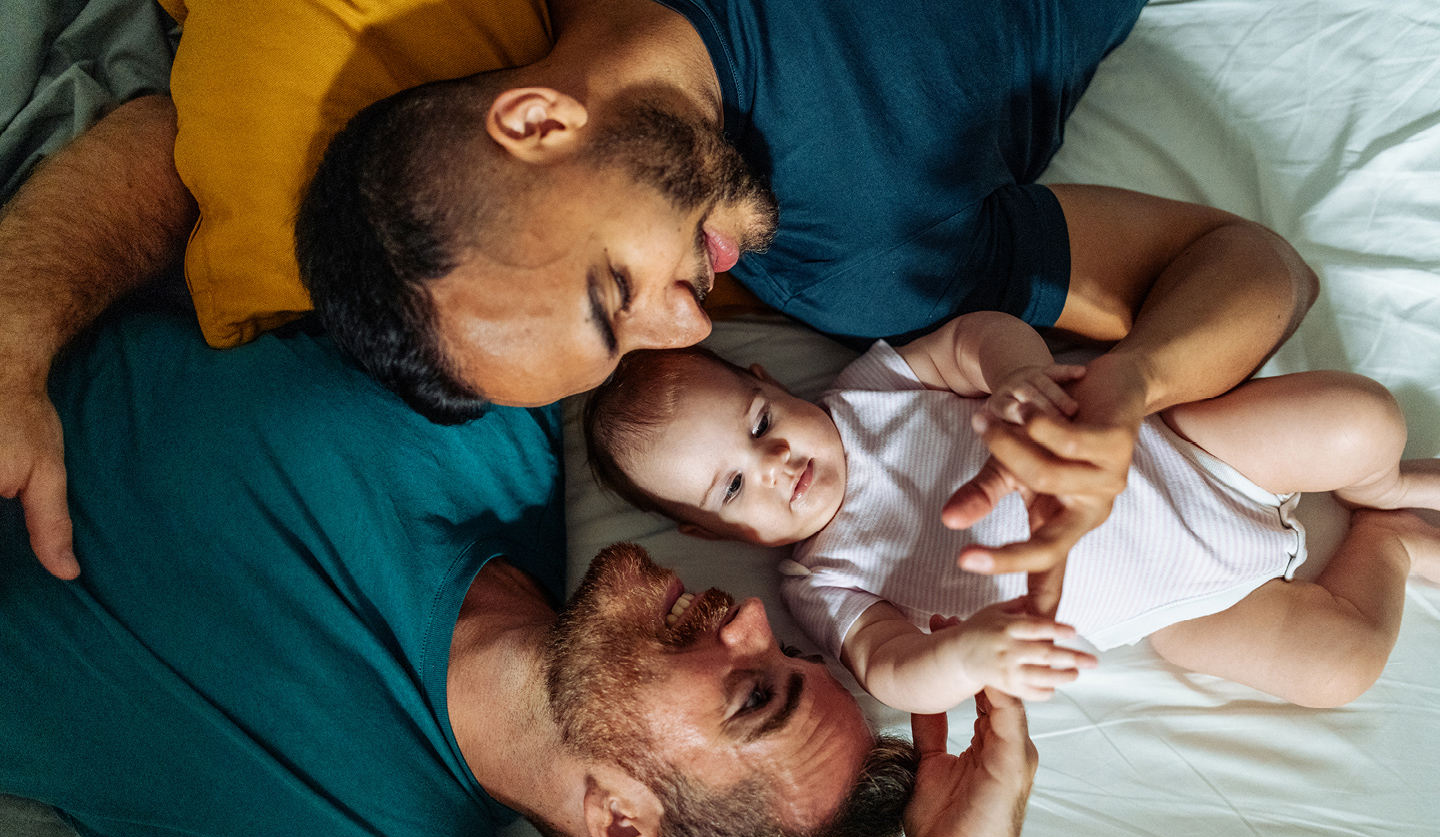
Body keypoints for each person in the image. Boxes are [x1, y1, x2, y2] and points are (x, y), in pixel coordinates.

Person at [3, 0, 1318, 594]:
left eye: (611, 290)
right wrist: (1129, 392)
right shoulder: (862, 265)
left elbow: (189, 97)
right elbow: (1252, 267)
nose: (688, 320)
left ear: (532, 119)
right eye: (634, 331)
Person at [0, 294, 1035, 837]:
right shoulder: (507, 414)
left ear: (625, 826)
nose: (756, 623)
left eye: (754, 695)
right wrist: (20, 316)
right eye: (792, 650)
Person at [582, 312, 1440, 711]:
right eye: (733, 489)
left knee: (1360, 420)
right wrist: (968, 652)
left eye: (759, 424)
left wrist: (1018, 374)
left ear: (768, 384)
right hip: (1181, 607)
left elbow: (972, 337)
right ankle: (1392, 547)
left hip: (1190, 455)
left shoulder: (871, 393)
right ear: (709, 532)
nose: (773, 465)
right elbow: (889, 670)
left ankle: (1388, 489)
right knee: (1341, 669)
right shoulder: (822, 581)